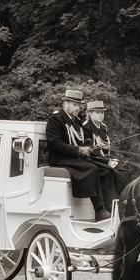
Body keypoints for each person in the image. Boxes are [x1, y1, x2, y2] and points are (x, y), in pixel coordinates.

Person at [45, 90, 111, 221]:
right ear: (65, 103)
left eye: (79, 105)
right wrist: (79, 150)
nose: (77, 108)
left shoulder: (76, 120)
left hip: (74, 157)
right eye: (75, 105)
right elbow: (55, 144)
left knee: (106, 169)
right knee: (92, 169)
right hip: (60, 159)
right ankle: (99, 210)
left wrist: (88, 147)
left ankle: (110, 206)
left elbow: (81, 140)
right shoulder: (56, 119)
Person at [82, 101, 132, 207]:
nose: (101, 115)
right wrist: (107, 161)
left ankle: (126, 205)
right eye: (97, 112)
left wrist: (113, 158)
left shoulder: (103, 128)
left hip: (105, 160)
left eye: (102, 112)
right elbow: (90, 152)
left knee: (125, 173)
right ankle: (111, 207)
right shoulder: (86, 128)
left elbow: (108, 148)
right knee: (110, 173)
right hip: (93, 161)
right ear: (90, 114)